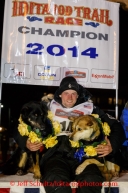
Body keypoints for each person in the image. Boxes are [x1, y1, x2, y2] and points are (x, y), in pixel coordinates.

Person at [14, 76, 125, 193]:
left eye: (73, 93)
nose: (70, 97)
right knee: (56, 181)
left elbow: (117, 126)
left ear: (78, 95)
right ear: (60, 94)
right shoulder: (47, 107)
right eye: (66, 93)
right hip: (56, 156)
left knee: (91, 180)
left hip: (84, 158)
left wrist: (111, 145)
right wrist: (26, 142)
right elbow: (20, 125)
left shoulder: (90, 109)